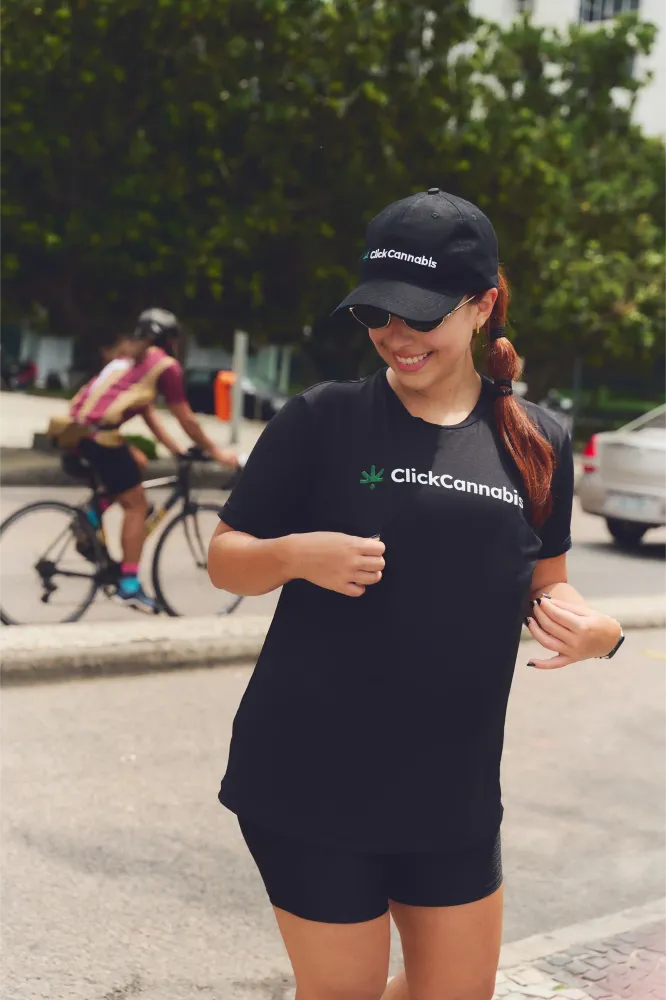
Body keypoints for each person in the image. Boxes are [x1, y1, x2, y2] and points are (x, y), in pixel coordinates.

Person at [207, 190, 625, 1000]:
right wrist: (296, 555)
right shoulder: (322, 420)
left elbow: (551, 585)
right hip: (309, 777)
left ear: (483, 306)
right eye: (377, 315)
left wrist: (598, 634)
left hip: (451, 787)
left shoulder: (538, 440)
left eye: (421, 316)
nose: (396, 337)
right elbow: (225, 560)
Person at [68, 308, 238, 612]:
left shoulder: (126, 360)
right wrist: (216, 452)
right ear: (170, 339)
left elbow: (147, 415)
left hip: (77, 436)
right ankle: (129, 586)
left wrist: (175, 450)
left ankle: (92, 515)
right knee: (137, 505)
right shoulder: (165, 366)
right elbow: (184, 416)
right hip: (103, 441)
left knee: (137, 463)